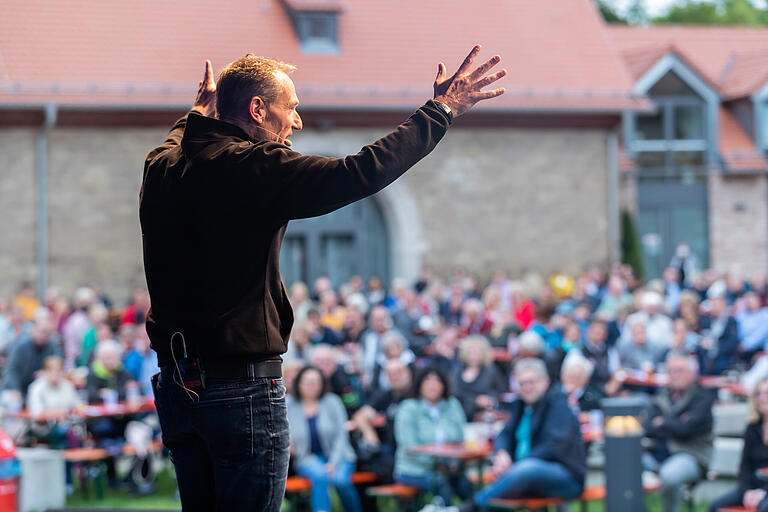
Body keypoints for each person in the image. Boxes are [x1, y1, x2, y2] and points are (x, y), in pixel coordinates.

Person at [140, 46, 505, 511]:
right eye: (289, 107)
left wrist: (199, 111)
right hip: (240, 393)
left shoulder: (161, 168)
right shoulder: (253, 168)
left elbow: (180, 139)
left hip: (179, 391)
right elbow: (359, 172)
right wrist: (442, 110)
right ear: (256, 110)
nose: (296, 121)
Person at [461, 358, 586, 511]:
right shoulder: (520, 405)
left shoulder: (558, 405)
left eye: (531, 382)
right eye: (521, 384)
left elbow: (552, 447)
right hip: (522, 473)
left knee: (527, 470)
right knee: (502, 496)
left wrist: (514, 466)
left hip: (566, 477)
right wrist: (502, 454)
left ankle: (470, 507)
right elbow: (504, 435)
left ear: (545, 382)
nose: (526, 388)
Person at [642, 352, 714, 512]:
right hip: (658, 452)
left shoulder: (702, 397)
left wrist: (663, 423)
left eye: (680, 370)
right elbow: (648, 426)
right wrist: (676, 423)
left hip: (691, 454)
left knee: (669, 475)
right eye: (671, 371)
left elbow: (687, 429)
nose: (675, 375)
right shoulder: (662, 397)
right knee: (627, 464)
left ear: (692, 372)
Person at [286, 366, 362, 512]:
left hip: (340, 456)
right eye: (307, 382)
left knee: (341, 481)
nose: (311, 386)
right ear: (299, 383)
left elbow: (342, 435)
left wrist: (333, 462)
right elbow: (285, 433)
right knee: (319, 475)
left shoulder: (332, 401)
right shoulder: (290, 404)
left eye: (315, 382)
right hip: (307, 457)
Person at [394, 365, 473, 505]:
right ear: (420, 384)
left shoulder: (452, 405)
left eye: (437, 381)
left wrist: (451, 464)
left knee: (466, 486)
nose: (433, 385)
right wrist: (438, 464)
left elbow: (461, 440)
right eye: (428, 380)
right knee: (441, 483)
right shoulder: (408, 407)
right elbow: (409, 446)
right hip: (414, 469)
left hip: (450, 469)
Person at [708, 377, 768, 512]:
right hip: (752, 485)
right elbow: (745, 465)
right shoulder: (752, 428)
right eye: (758, 393)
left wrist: (763, 492)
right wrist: (747, 491)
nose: (762, 398)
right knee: (715, 505)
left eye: (767, 393)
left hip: (765, 491)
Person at [2, 314, 62, 402]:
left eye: (47, 333)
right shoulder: (20, 346)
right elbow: (12, 369)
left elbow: (57, 365)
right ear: (33, 329)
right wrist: (15, 389)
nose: (44, 335)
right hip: (16, 388)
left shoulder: (52, 347)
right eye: (42, 331)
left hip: (39, 389)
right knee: (13, 403)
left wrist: (46, 373)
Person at [450, 335, 506, 420]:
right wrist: (475, 400)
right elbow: (454, 392)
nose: (474, 356)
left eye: (477, 353)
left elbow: (500, 391)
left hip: (483, 416)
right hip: (460, 413)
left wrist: (490, 399)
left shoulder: (491, 371)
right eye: (471, 352)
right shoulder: (457, 371)